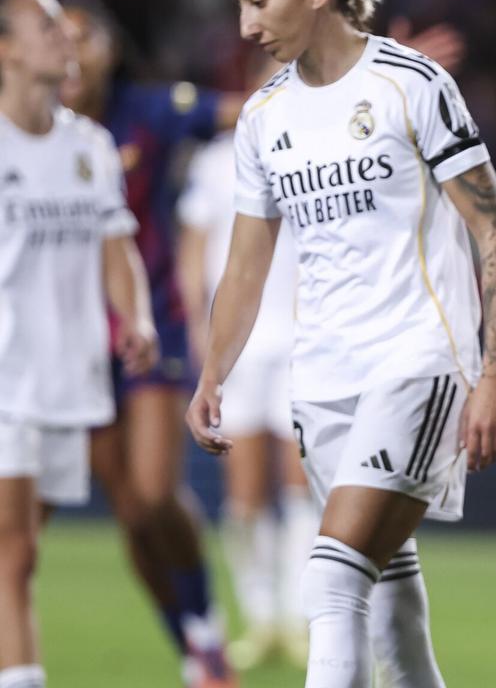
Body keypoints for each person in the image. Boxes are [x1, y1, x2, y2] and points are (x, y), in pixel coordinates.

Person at [184, 0, 496, 688]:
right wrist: (214, 375)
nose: (247, 23)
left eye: (259, 0)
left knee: (331, 577)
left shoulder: (411, 84)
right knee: (388, 596)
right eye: (239, 4)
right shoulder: (265, 119)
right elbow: (245, 266)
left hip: (418, 360)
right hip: (322, 378)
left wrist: (495, 371)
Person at [59, 0, 239, 687]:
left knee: (158, 493)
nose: (73, 52)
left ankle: (208, 628)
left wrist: (340, 85)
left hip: (151, 321)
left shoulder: (146, 110)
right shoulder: (28, 130)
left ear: (110, 49)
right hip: (71, 339)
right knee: (130, 512)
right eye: (60, 39)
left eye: (86, 38)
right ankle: (196, 648)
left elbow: (239, 112)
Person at [0, 0, 157, 688]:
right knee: (12, 554)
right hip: (5, 376)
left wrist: (139, 317)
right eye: (47, 25)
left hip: (70, 378)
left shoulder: (89, 145)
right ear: (5, 49)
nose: (67, 35)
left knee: (24, 549)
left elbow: (115, 247)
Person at [177, 114, 317, 669]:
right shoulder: (216, 159)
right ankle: (261, 617)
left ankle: (297, 616)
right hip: (241, 345)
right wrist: (196, 329)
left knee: (301, 485)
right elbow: (196, 246)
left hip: (303, 339)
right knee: (244, 490)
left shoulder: (317, 146)